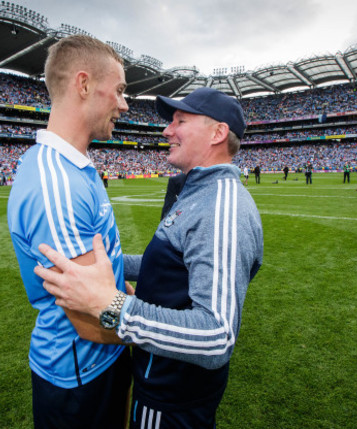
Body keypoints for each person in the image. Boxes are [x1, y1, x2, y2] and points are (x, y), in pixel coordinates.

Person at [35, 87, 263, 428]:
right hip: (159, 382)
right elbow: (172, 265)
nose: (167, 130)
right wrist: (105, 266)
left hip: (172, 396)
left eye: (180, 121)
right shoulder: (197, 190)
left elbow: (217, 336)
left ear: (218, 133)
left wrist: (109, 305)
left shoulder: (221, 206)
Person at [6, 35, 131, 428]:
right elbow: (88, 316)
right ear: (83, 84)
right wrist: (160, 332)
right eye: (121, 90)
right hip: (80, 371)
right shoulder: (56, 185)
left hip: (102, 358)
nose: (125, 104)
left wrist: (126, 295)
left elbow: (102, 268)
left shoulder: (75, 166)